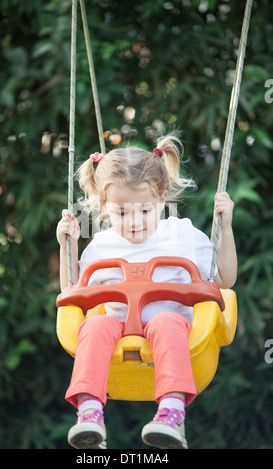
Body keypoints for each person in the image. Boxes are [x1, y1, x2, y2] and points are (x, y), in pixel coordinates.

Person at [56, 133, 237, 449]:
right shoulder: (101, 245)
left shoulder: (182, 234)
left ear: (162, 199)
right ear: (104, 207)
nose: (135, 222)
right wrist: (67, 246)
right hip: (118, 337)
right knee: (94, 324)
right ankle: (89, 413)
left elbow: (225, 278)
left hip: (175, 335)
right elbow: (72, 292)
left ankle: (171, 412)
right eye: (122, 213)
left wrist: (226, 227)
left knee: (165, 321)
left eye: (145, 211)